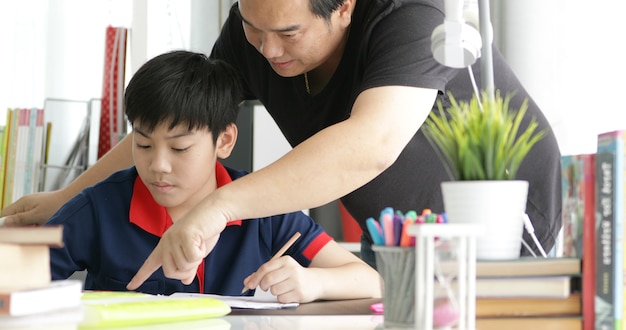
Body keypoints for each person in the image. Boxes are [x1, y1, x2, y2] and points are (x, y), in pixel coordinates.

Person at [4, 0, 561, 287]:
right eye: (251, 28)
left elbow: (373, 143)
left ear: (344, 6)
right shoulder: (260, 26)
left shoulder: (409, 14)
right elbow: (177, 125)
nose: (267, 51)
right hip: (403, 234)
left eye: (289, 34)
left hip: (502, 213)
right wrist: (64, 199)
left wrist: (220, 205)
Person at [44, 50, 381, 302]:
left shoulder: (261, 208)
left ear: (224, 140)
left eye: (179, 149)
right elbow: (13, 278)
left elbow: (373, 281)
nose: (158, 165)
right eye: (144, 144)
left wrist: (314, 282)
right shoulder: (100, 207)